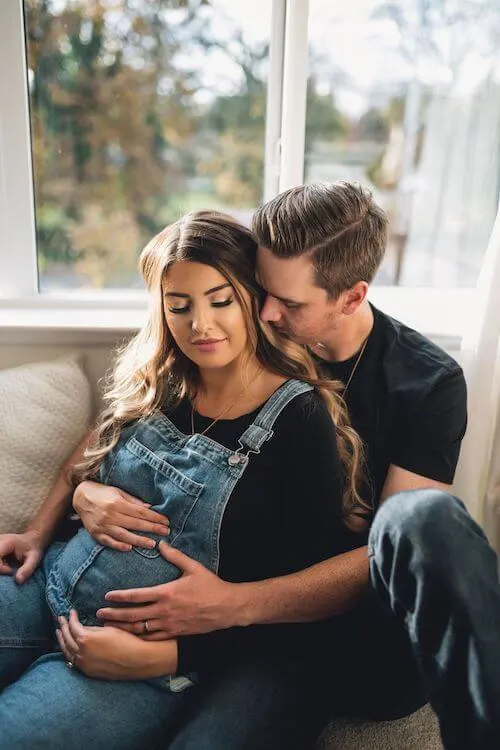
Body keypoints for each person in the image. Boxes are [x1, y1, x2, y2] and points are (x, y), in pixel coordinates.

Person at [70, 183, 498, 749]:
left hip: (345, 636)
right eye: (259, 291)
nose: (265, 312)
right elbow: (125, 412)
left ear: (351, 297)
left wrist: (231, 607)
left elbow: (385, 559)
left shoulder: (426, 382)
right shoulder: (238, 328)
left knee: (424, 517)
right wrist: (82, 493)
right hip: (241, 622)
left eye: (289, 304)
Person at [0, 210, 365, 748]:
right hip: (52, 584)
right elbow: (92, 443)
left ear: (253, 298)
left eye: (220, 301)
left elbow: (296, 599)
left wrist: (174, 656)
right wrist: (43, 523)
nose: (201, 325)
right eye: (179, 306)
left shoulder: (297, 418)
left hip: (141, 659)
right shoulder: (164, 377)